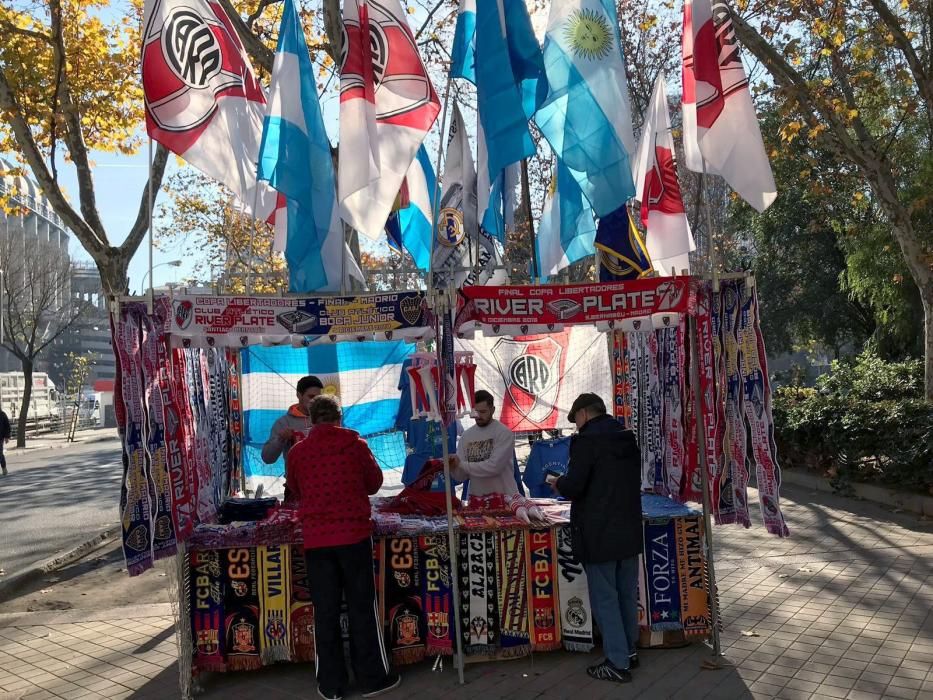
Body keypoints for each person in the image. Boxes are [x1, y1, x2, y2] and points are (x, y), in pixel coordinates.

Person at [287, 395, 400, 700]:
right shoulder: (356, 446)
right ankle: (372, 679)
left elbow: (295, 489)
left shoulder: (298, 453)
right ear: (339, 418)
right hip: (353, 537)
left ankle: (331, 685)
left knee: (325, 612)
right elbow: (375, 483)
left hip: (317, 540)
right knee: (362, 608)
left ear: (311, 420)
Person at [550, 393, 642, 684]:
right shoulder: (626, 436)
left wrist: (557, 483)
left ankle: (616, 662)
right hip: (627, 527)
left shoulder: (587, 440)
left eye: (576, 419)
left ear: (585, 415)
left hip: (599, 530)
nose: (576, 426)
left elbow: (575, 486)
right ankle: (628, 651)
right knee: (626, 594)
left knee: (605, 599)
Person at [449, 390, 518, 498]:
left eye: (483, 412)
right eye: (476, 411)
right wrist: (453, 467)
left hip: (506, 500)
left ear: (493, 410)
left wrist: (461, 464)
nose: (478, 416)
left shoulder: (504, 433)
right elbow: (461, 476)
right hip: (477, 501)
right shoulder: (466, 436)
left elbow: (494, 467)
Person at [260, 375, 323, 465]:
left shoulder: (326, 419)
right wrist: (281, 439)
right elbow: (267, 458)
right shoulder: (283, 423)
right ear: (299, 395)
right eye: (311, 397)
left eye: (318, 398)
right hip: (296, 478)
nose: (315, 401)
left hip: (323, 477)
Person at [0, 408, 10, 475]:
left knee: (0, 453)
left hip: (0, 437)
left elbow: (7, 426)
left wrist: (7, 436)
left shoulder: (2, 414)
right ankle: (4, 467)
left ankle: (4, 468)